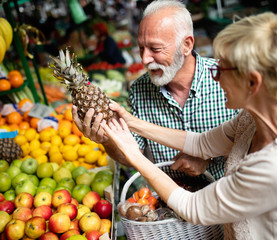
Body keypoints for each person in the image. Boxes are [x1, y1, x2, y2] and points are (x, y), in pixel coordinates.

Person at [100, 12, 277, 239]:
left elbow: (192, 207)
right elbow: (201, 143)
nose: (215, 77)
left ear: (252, 82)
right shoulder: (253, 119)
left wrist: (133, 154)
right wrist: (131, 123)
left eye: (222, 69)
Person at [73, 0, 238, 181]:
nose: (145, 59)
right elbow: (133, 156)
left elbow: (252, 141)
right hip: (168, 204)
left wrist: (208, 157)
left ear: (187, 45)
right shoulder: (139, 90)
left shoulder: (226, 79)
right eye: (141, 48)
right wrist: (107, 140)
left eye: (155, 48)